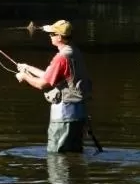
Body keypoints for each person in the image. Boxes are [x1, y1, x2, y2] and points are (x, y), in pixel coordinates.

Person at [15, 19, 92, 153]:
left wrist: (24, 77)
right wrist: (28, 68)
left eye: (52, 34)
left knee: (56, 157)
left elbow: (42, 84)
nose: (50, 36)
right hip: (79, 116)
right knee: (73, 154)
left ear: (60, 37)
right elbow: (50, 76)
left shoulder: (61, 58)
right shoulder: (74, 52)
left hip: (63, 117)